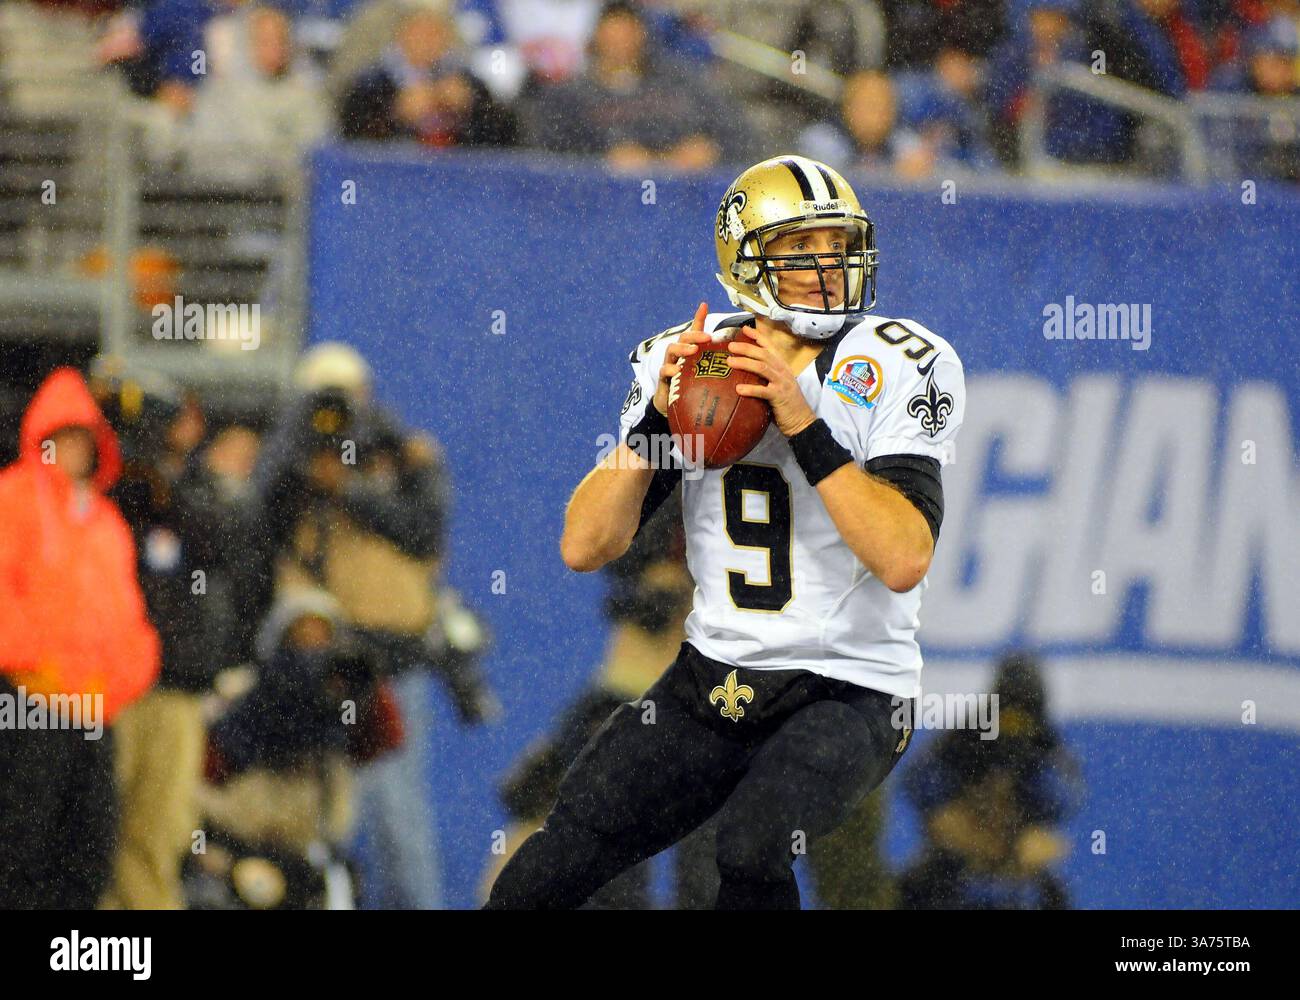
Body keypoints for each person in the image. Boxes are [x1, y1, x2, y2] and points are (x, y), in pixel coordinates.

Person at [485, 154, 967, 910]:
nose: (825, 266)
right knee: (560, 854)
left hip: (850, 688)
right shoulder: (689, 359)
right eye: (798, 249)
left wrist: (803, 423)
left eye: (836, 244)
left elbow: (904, 557)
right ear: (745, 262)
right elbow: (585, 546)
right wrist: (655, 422)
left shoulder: (901, 361)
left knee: (752, 848)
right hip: (715, 676)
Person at [0, 368, 161, 909]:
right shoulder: (13, 498)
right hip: (30, 705)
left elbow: (128, 617)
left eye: (80, 440)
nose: (70, 452)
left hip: (93, 712)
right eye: (60, 438)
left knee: (89, 849)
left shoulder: (106, 521)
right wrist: (37, 663)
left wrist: (116, 682)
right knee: (20, 847)